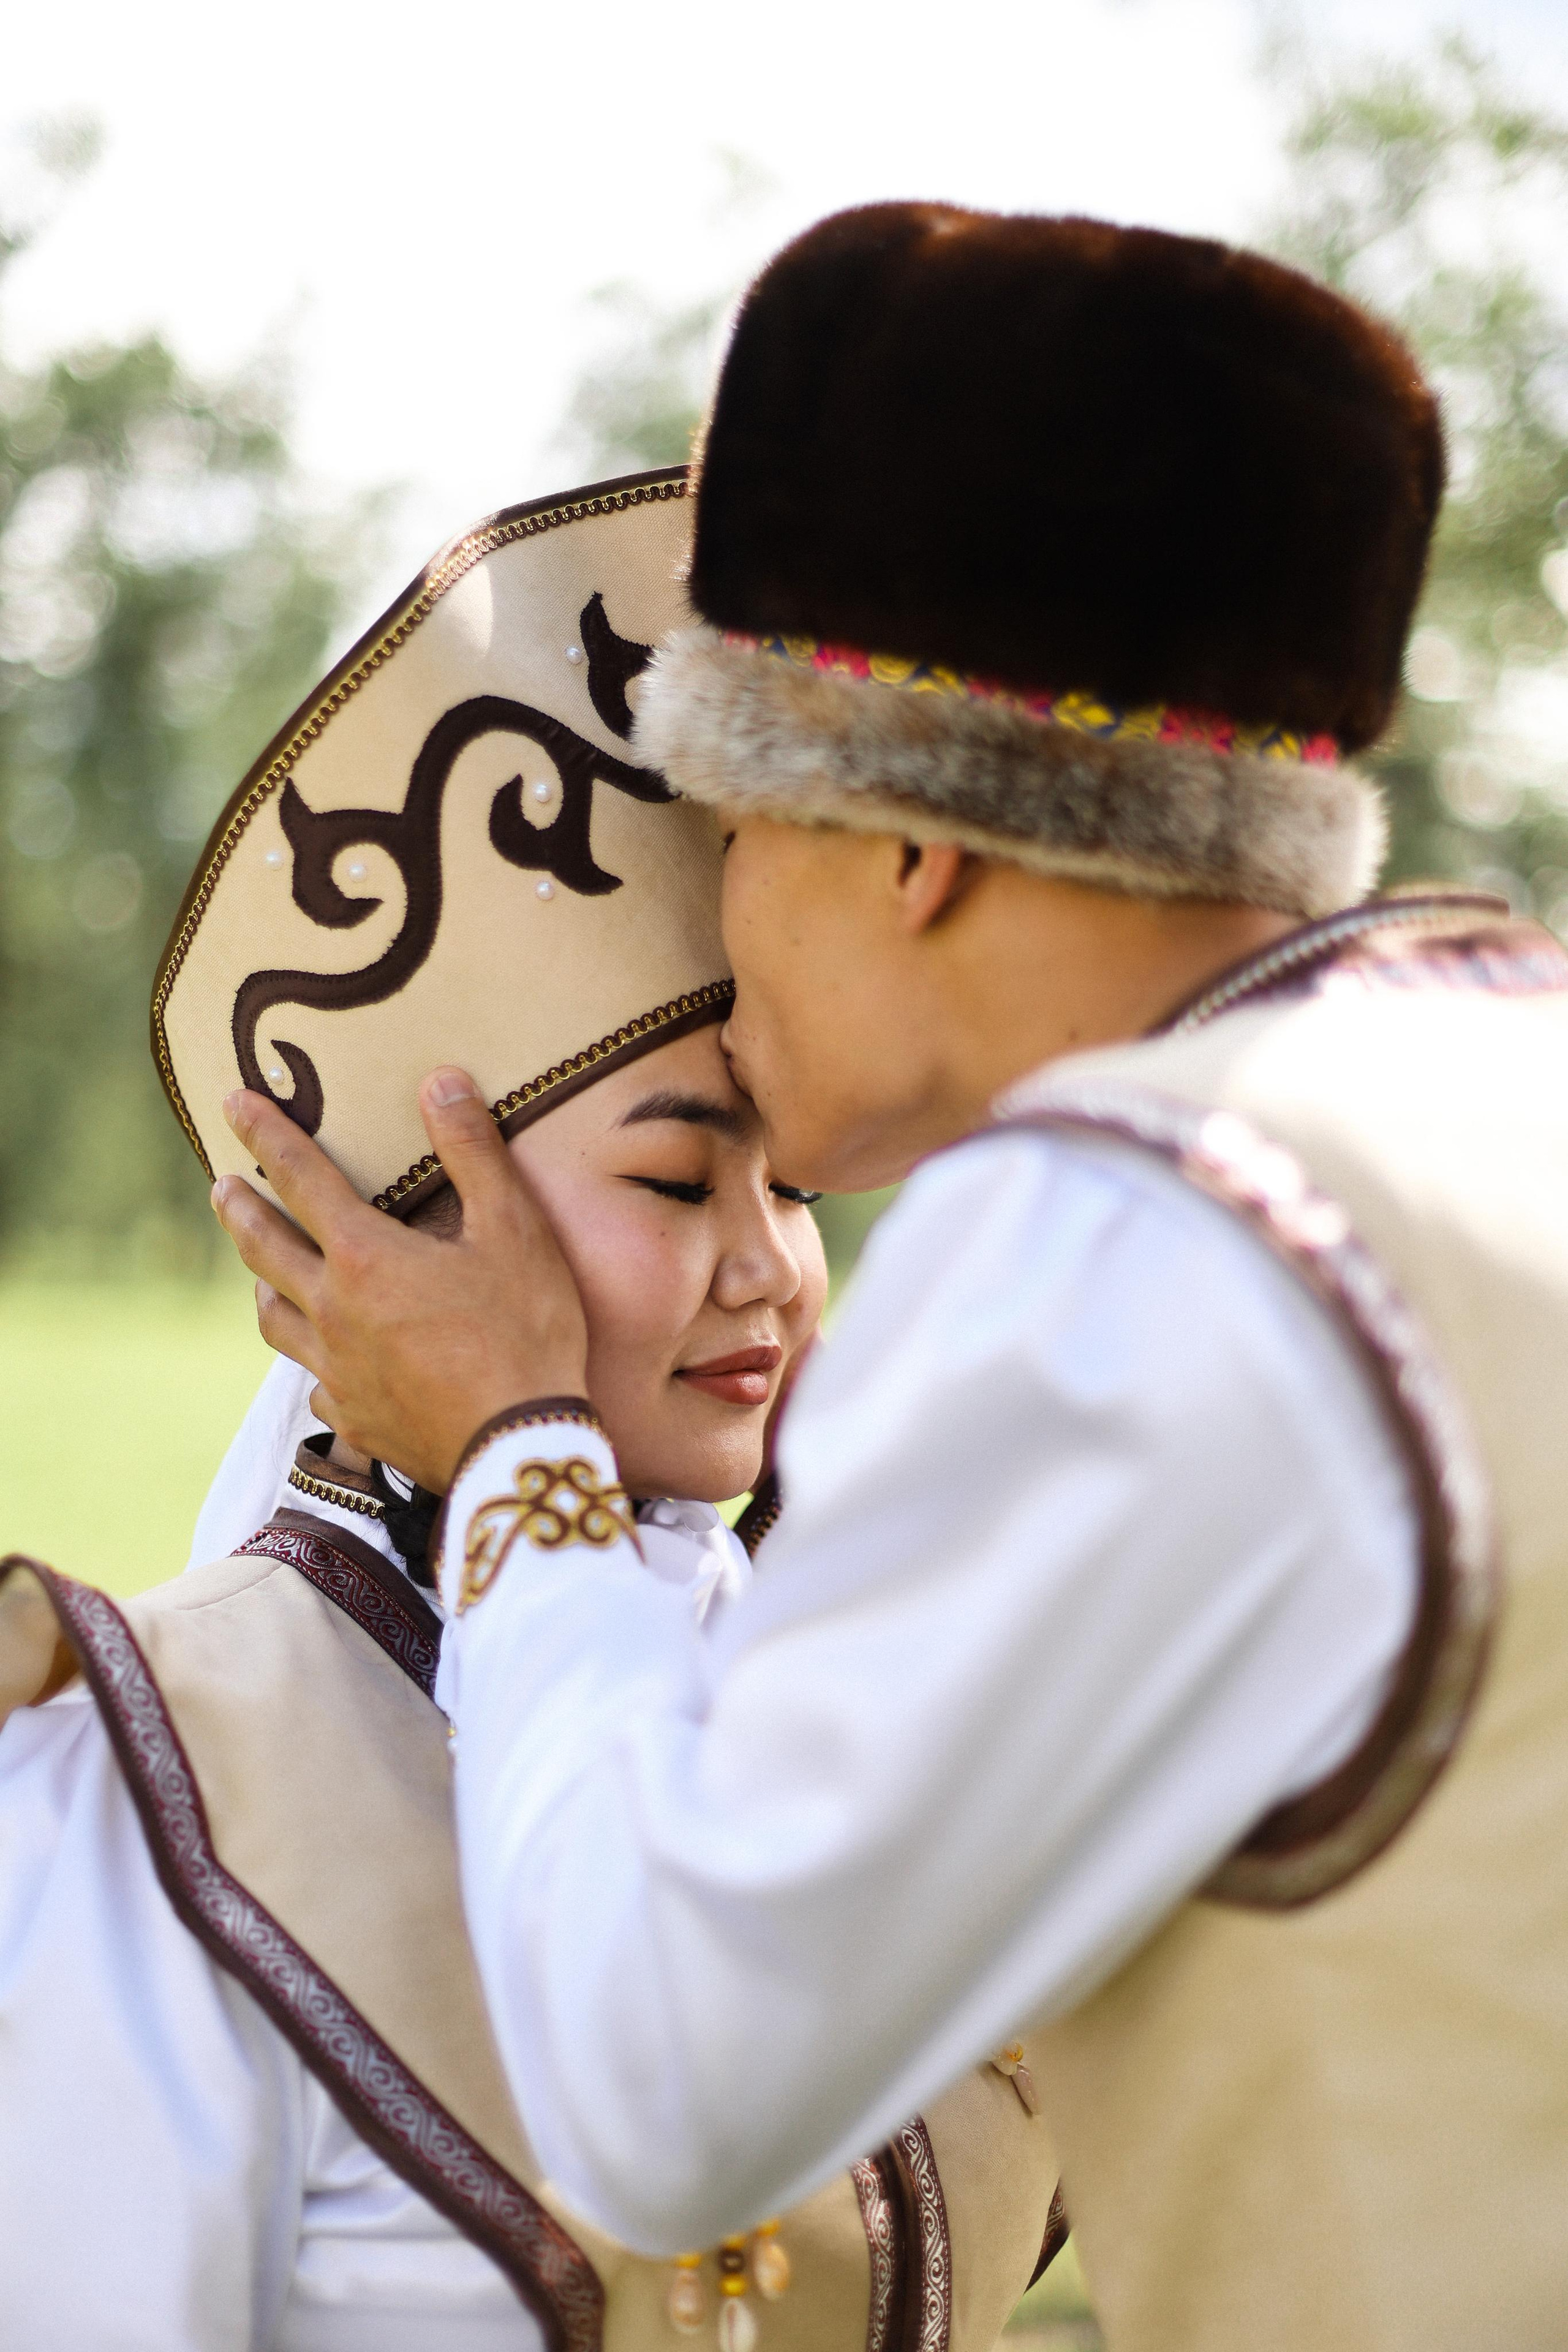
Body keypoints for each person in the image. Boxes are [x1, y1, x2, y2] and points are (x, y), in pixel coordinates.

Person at [208, 205, 1568, 2352]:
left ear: (899, 844)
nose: (727, 949)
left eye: (737, 836)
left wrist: (516, 1458)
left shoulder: (1147, 1227)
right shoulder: (1510, 1073)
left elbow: (671, 2094)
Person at [2, 471, 1061, 2352]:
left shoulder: (831, 1690)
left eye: (802, 1195)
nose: (769, 1268)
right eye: (679, 1184)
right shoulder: (158, 1790)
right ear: (403, 1232)